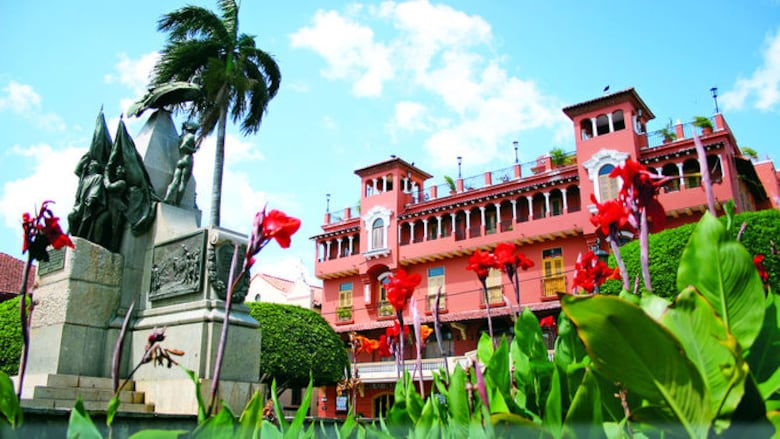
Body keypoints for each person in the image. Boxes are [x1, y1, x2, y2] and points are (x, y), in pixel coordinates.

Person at [164, 121, 199, 206]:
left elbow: (180, 145)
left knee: (175, 181)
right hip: (188, 159)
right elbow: (183, 147)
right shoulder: (191, 137)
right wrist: (194, 150)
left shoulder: (182, 137)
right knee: (183, 183)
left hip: (180, 160)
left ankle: (167, 198)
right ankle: (177, 203)